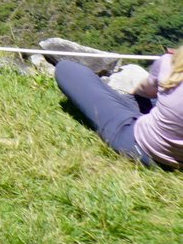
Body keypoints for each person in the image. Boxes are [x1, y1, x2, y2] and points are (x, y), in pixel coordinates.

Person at [55, 49, 183, 169]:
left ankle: (125, 107)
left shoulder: (171, 64)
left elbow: (145, 91)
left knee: (66, 69)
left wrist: (131, 98)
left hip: (144, 147)